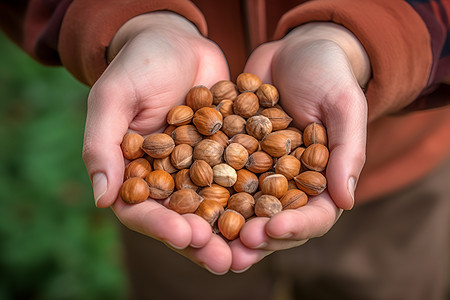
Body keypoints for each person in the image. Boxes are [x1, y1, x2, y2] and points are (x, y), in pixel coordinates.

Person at [1, 0, 449, 299]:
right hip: (181, 224)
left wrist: (364, 39)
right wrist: (135, 18)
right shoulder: (205, 155)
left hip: (400, 178)